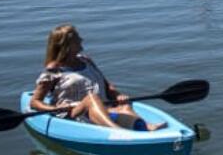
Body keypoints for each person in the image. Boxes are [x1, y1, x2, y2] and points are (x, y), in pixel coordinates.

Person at [30, 24, 167, 131]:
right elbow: (35, 102)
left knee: (124, 106)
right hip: (73, 114)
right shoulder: (53, 71)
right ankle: (116, 131)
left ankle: (146, 128)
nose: (81, 40)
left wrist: (118, 95)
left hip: (102, 109)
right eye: (77, 39)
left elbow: (107, 85)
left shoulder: (86, 60)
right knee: (91, 98)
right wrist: (54, 109)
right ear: (66, 46)